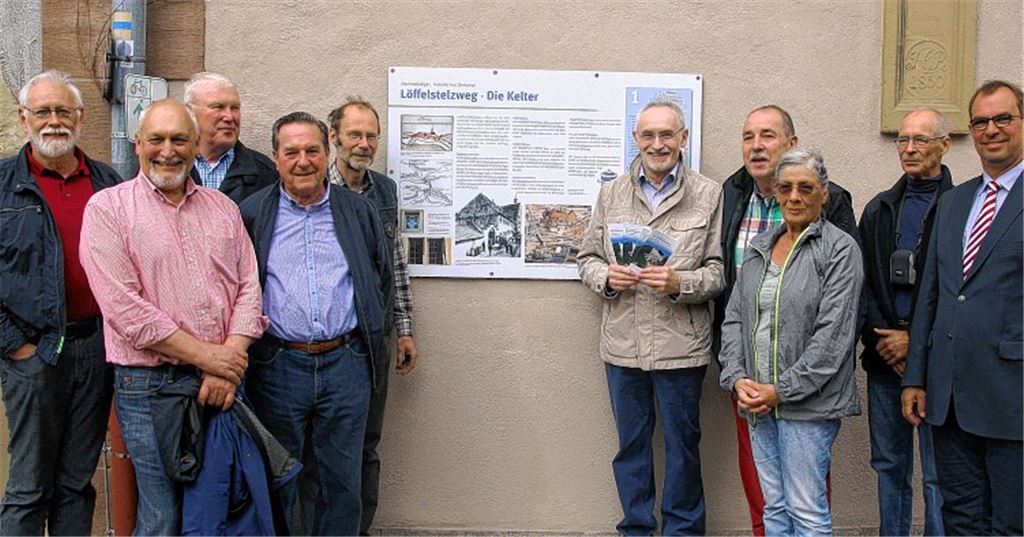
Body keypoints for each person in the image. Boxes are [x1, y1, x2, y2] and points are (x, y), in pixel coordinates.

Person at [80, 99, 267, 535]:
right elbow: (126, 311)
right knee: (162, 515)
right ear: (138, 143)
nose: (168, 150)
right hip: (149, 388)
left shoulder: (222, 208)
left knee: (220, 509)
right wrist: (211, 358)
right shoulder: (108, 210)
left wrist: (228, 362)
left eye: (180, 139)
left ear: (196, 144)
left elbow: (249, 287)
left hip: (222, 384)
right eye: (157, 139)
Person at [240, 111, 393, 536]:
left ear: (327, 154)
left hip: (345, 363)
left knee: (341, 481)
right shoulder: (253, 214)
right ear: (275, 158)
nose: (302, 161)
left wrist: (368, 346)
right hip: (278, 367)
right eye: (291, 152)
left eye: (312, 150)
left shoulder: (357, 211)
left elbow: (380, 278)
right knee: (281, 475)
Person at [577, 97, 724, 535]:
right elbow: (585, 257)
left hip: (682, 346)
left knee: (683, 448)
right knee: (632, 447)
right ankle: (637, 529)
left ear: (682, 139)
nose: (657, 144)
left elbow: (718, 273)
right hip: (622, 346)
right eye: (648, 135)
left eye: (666, 135)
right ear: (635, 139)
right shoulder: (612, 193)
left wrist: (682, 284)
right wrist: (606, 275)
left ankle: (683, 531)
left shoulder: (709, 193)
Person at [712, 105, 856, 536]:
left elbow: (833, 334)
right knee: (773, 507)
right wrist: (736, 377)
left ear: (823, 193)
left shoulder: (839, 248)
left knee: (807, 509)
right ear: (776, 193)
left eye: (806, 188)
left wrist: (781, 390)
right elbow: (734, 315)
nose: (795, 197)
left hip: (804, 400)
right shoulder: (757, 244)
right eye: (786, 188)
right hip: (754, 394)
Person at [0, 70, 121, 535]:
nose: (54, 121)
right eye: (43, 111)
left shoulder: (108, 183)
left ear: (81, 117)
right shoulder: (5, 185)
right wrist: (14, 346)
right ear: (23, 118)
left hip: (94, 349)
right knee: (29, 487)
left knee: (76, 484)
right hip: (32, 353)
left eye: (63, 111)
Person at [902, 80, 1024, 535]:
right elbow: (931, 295)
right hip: (949, 396)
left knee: (1012, 523)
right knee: (961, 520)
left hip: (1013, 395)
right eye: (980, 122)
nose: (991, 130)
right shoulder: (954, 202)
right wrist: (916, 375)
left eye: (1003, 119)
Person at [326, 97, 419, 534]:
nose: (364, 145)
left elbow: (395, 262)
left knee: (367, 442)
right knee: (323, 447)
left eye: (371, 136)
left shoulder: (384, 191)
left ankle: (359, 528)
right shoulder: (314, 187)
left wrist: (404, 329)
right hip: (330, 339)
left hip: (374, 337)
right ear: (334, 138)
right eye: (354, 135)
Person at [859, 108, 952, 536]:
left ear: (944, 146)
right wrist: (887, 340)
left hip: (937, 361)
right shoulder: (880, 209)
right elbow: (863, 285)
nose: (910, 149)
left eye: (921, 140)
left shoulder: (960, 207)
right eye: (903, 140)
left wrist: (915, 341)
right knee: (890, 465)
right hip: (884, 360)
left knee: (940, 471)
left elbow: (958, 290)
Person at [184, 72, 278, 203]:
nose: (229, 117)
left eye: (235, 108)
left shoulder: (265, 173)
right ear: (190, 113)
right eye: (218, 107)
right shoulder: (170, 165)